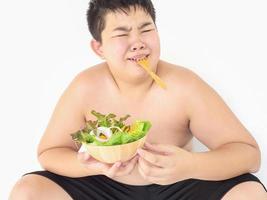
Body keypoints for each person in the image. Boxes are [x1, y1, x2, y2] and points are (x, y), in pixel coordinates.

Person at [9, 0, 267, 199]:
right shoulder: (85, 86)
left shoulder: (185, 85)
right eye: (122, 35)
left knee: (250, 194)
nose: (138, 43)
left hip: (179, 186)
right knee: (28, 190)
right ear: (99, 48)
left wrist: (189, 165)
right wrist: (95, 166)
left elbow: (248, 154)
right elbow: (49, 153)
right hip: (104, 188)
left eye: (146, 29)